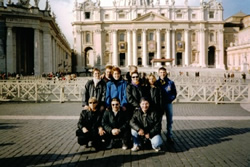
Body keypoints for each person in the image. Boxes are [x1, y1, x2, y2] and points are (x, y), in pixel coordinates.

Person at [156, 67, 177, 144]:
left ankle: (169, 136)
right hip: (159, 104)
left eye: (163, 72)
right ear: (158, 73)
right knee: (158, 120)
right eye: (161, 72)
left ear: (166, 73)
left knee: (170, 121)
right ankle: (158, 136)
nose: (162, 74)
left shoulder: (170, 82)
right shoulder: (156, 83)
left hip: (168, 103)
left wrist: (169, 99)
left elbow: (174, 93)